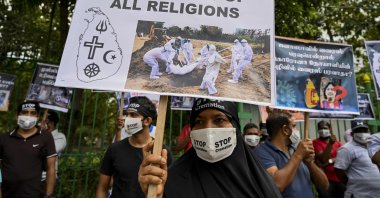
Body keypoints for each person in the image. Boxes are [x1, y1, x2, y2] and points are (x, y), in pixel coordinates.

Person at [138, 98, 282, 198]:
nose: (208, 129)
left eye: (219, 120)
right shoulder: (172, 181)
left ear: (235, 128)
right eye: (199, 121)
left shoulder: (259, 184)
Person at [96, 96, 172, 198]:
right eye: (127, 114)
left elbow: (169, 190)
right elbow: (102, 189)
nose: (127, 118)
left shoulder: (162, 152)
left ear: (147, 121)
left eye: (133, 115)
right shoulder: (114, 149)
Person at [254, 112, 329, 197]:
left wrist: (309, 163)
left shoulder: (296, 149)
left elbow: (324, 185)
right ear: (285, 130)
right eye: (294, 126)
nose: (297, 130)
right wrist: (298, 155)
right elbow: (277, 185)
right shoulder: (262, 151)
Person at [0, 101, 57, 198]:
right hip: (8, 194)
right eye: (25, 112)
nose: (28, 116)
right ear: (17, 115)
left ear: (37, 117)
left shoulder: (45, 137)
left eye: (33, 113)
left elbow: (51, 168)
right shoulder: (4, 138)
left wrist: (49, 195)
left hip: (34, 194)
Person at [334, 120, 380, 197]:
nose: (362, 133)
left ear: (369, 132)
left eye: (364, 130)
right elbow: (339, 170)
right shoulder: (346, 149)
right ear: (352, 134)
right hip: (358, 195)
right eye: (358, 131)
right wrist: (351, 183)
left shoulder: (374, 146)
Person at [312, 120, 345, 198]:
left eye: (325, 128)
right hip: (325, 179)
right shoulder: (315, 143)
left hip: (339, 178)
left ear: (330, 129)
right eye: (320, 128)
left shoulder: (338, 143)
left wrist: (329, 162)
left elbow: (343, 157)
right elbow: (323, 159)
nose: (322, 130)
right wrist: (330, 144)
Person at [42, 111, 67, 193]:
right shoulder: (37, 135)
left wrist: (42, 135)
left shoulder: (60, 137)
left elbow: (49, 151)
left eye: (45, 121)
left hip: (47, 179)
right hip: (32, 177)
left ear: (51, 123)